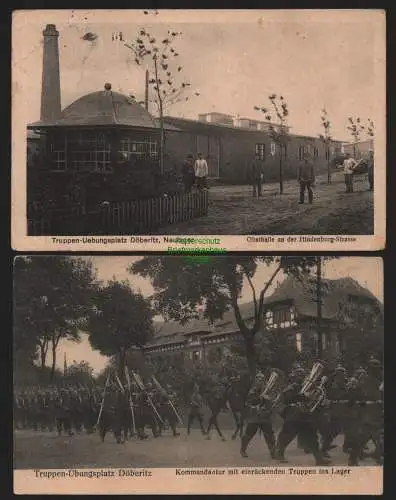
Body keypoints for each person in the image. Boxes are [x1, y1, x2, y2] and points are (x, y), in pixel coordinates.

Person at [240, 372, 277, 459]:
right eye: (258, 379)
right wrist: (261, 397)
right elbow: (252, 401)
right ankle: (243, 450)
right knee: (248, 434)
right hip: (254, 416)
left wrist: (269, 410)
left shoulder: (268, 390)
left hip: (265, 416)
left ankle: (273, 452)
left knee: (269, 435)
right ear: (256, 380)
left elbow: (270, 403)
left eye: (262, 379)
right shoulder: (252, 390)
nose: (260, 381)